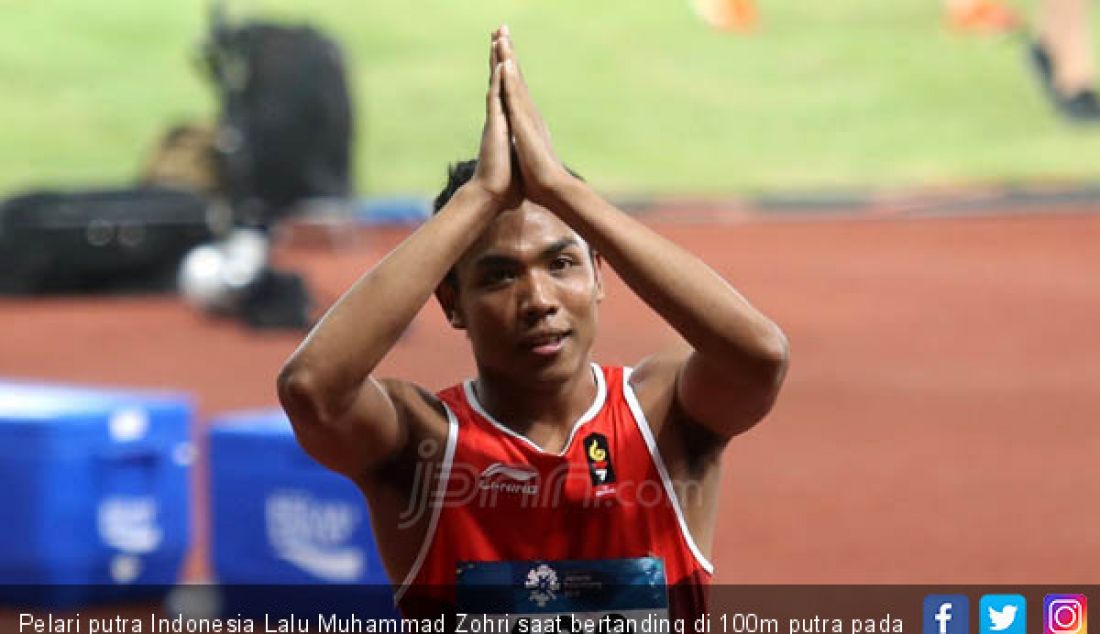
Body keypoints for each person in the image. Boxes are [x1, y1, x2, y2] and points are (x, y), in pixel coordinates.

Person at [277, 25, 789, 622]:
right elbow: (311, 389)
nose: (538, 299)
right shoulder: (422, 445)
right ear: (450, 303)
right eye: (498, 276)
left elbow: (760, 357)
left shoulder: (663, 416)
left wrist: (561, 190)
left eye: (563, 263)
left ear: (601, 275)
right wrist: (480, 196)